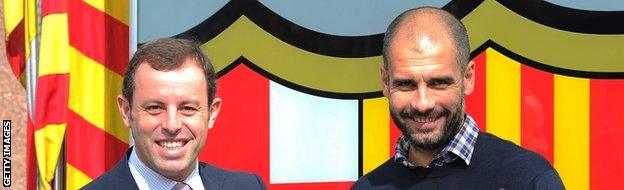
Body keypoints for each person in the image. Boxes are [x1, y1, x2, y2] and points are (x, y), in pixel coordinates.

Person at [351, 7, 564, 189]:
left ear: (468, 78)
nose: (422, 103)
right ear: (385, 82)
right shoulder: (367, 187)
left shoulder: (527, 179)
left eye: (438, 83)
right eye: (406, 84)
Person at [83, 38, 266, 190]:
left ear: (212, 113)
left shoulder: (249, 186)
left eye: (187, 108)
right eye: (155, 108)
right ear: (126, 111)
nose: (172, 125)